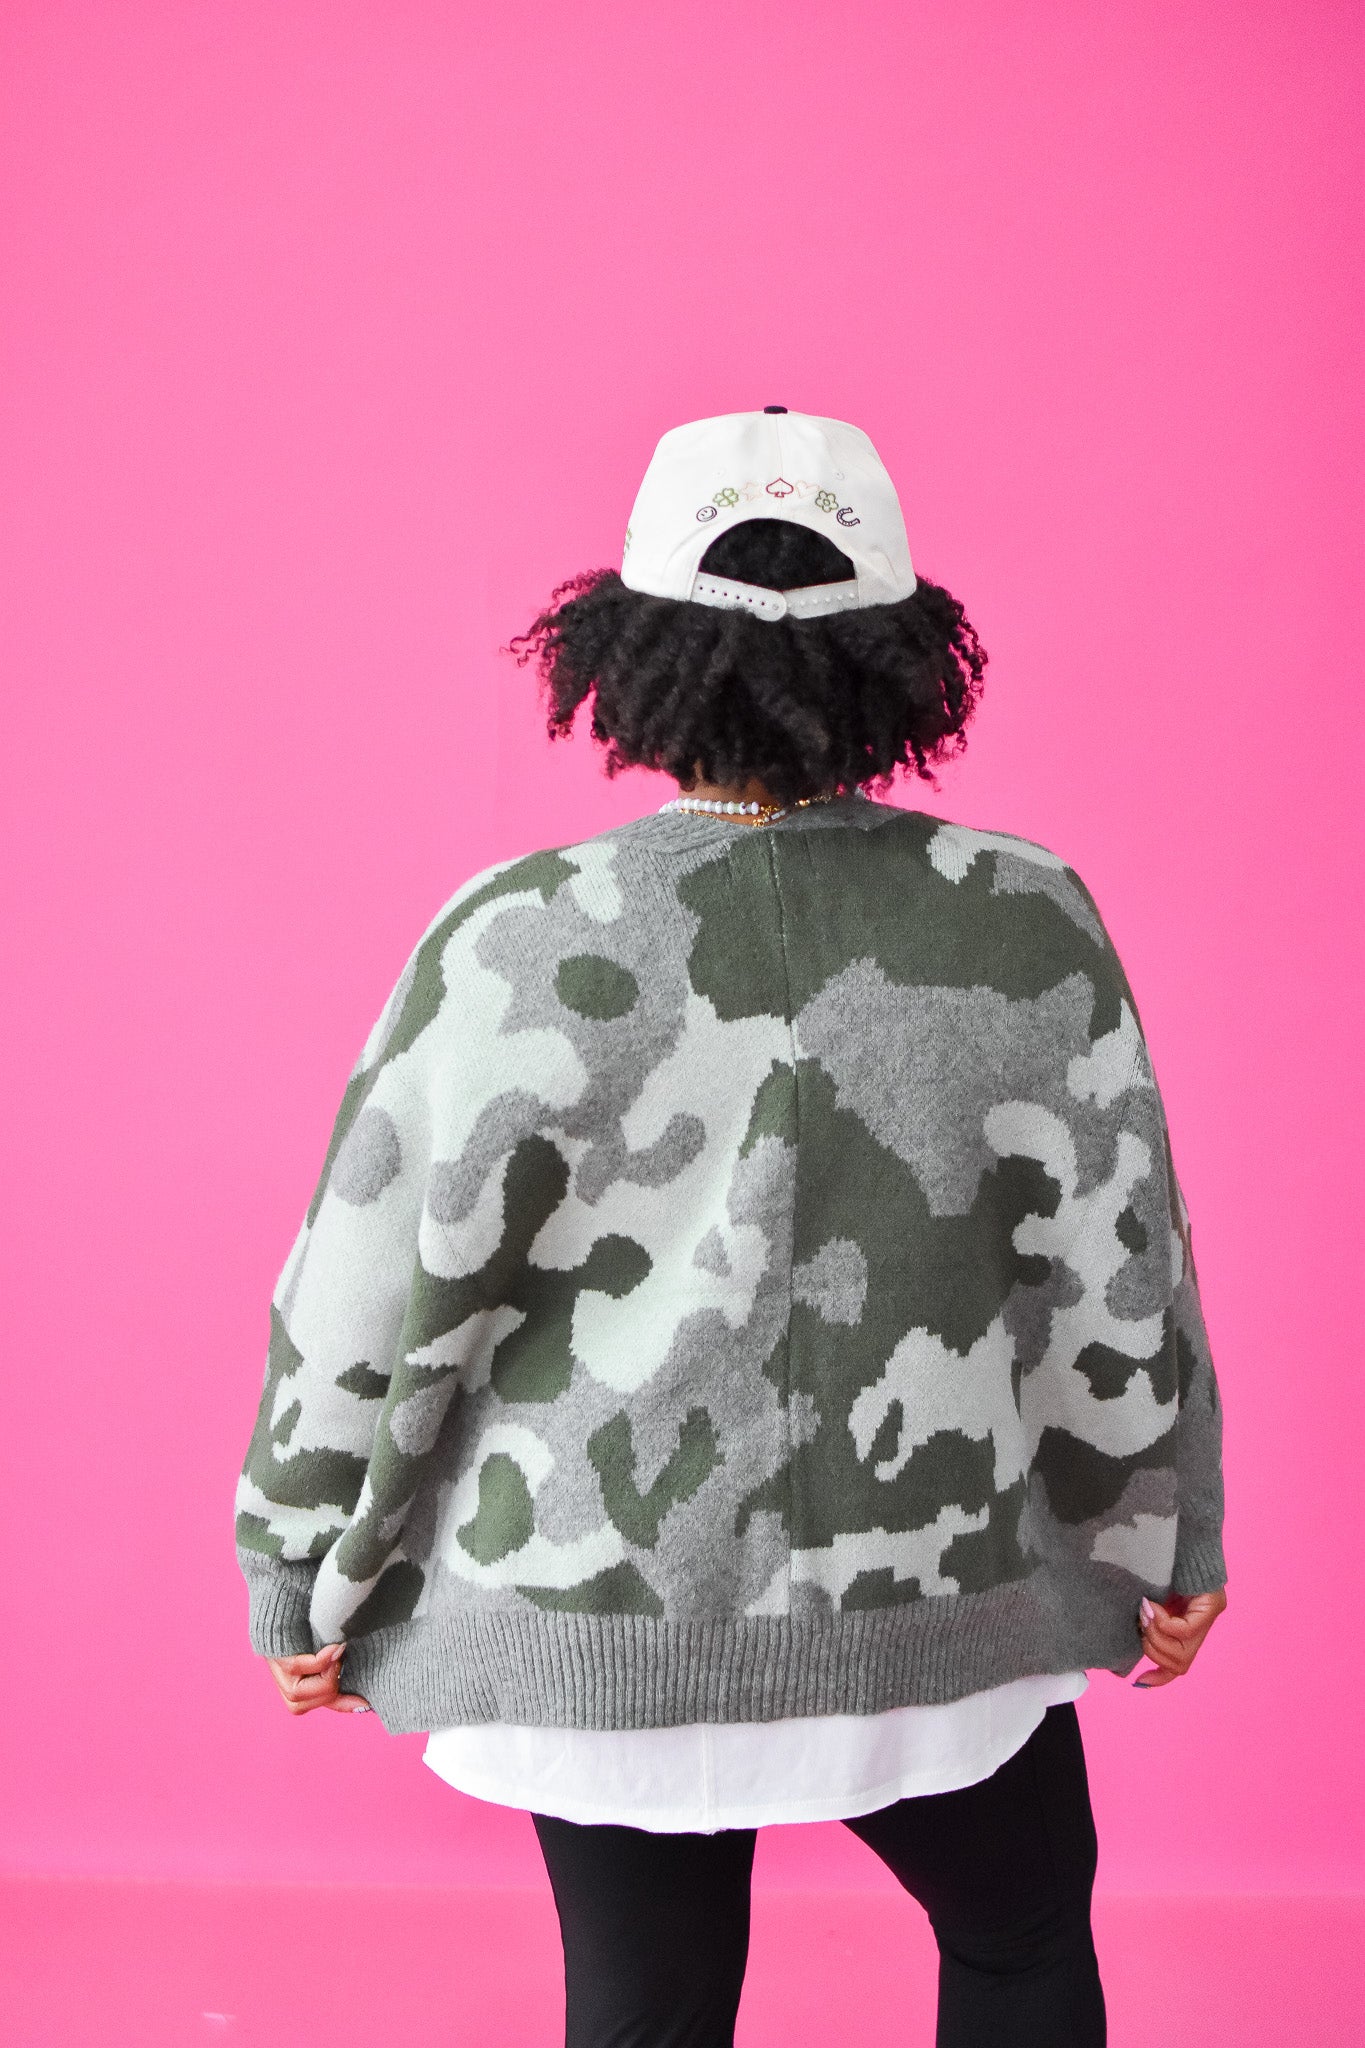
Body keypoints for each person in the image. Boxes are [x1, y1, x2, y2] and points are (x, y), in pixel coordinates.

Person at [235, 407, 1227, 2048]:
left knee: (647, 2007)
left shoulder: (508, 935)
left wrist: (296, 1568)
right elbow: (1118, 1266)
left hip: (589, 1616)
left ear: (628, 650)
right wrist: (1164, 1534)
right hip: (940, 1609)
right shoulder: (1025, 915)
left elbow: (363, 1282)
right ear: (902, 653)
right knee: (1020, 1937)